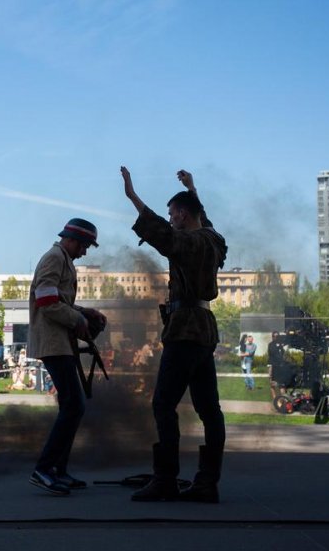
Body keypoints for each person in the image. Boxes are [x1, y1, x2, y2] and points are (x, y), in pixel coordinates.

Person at [121, 167, 228, 504]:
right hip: (203, 330)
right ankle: (206, 482)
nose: (171, 218)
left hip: (185, 329)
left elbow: (166, 237)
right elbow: (204, 221)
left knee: (164, 403)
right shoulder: (213, 239)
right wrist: (193, 189)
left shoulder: (190, 241)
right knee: (209, 409)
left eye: (173, 213)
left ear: (181, 215)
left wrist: (134, 198)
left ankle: (165, 479)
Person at [27, 217, 106, 496]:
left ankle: (58, 470)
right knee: (74, 406)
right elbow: (46, 302)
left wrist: (83, 312)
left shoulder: (62, 259)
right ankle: (44, 469)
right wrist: (78, 320)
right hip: (53, 343)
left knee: (73, 406)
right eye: (84, 245)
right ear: (72, 240)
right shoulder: (54, 258)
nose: (85, 252)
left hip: (60, 342)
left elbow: (57, 299)